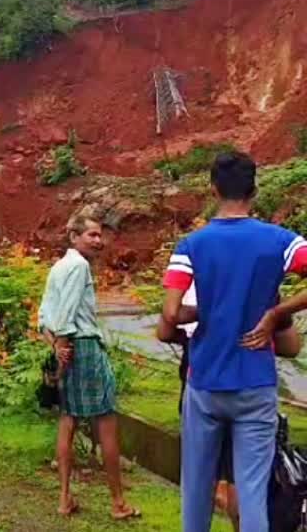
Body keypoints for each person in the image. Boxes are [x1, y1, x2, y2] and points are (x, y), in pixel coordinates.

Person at [160, 151, 307, 532]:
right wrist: (275, 313)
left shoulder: (191, 246)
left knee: (196, 489)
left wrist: (207, 312)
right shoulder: (279, 241)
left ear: (213, 189)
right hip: (255, 382)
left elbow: (171, 314)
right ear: (254, 190)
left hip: (205, 380)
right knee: (253, 492)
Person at [158, 282, 302, 531]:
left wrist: (195, 337)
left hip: (200, 391)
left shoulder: (197, 281)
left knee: (199, 482)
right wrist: (274, 318)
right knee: (248, 485)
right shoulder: (262, 287)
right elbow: (291, 347)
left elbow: (165, 330)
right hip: (250, 390)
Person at [38, 215, 138, 520]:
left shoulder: (58, 267)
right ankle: (118, 502)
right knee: (106, 422)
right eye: (91, 235)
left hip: (63, 346)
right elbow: (66, 313)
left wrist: (54, 346)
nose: (98, 241)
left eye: (99, 235)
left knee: (68, 420)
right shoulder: (79, 267)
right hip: (82, 347)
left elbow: (44, 315)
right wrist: (64, 344)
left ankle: (65, 498)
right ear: (74, 237)